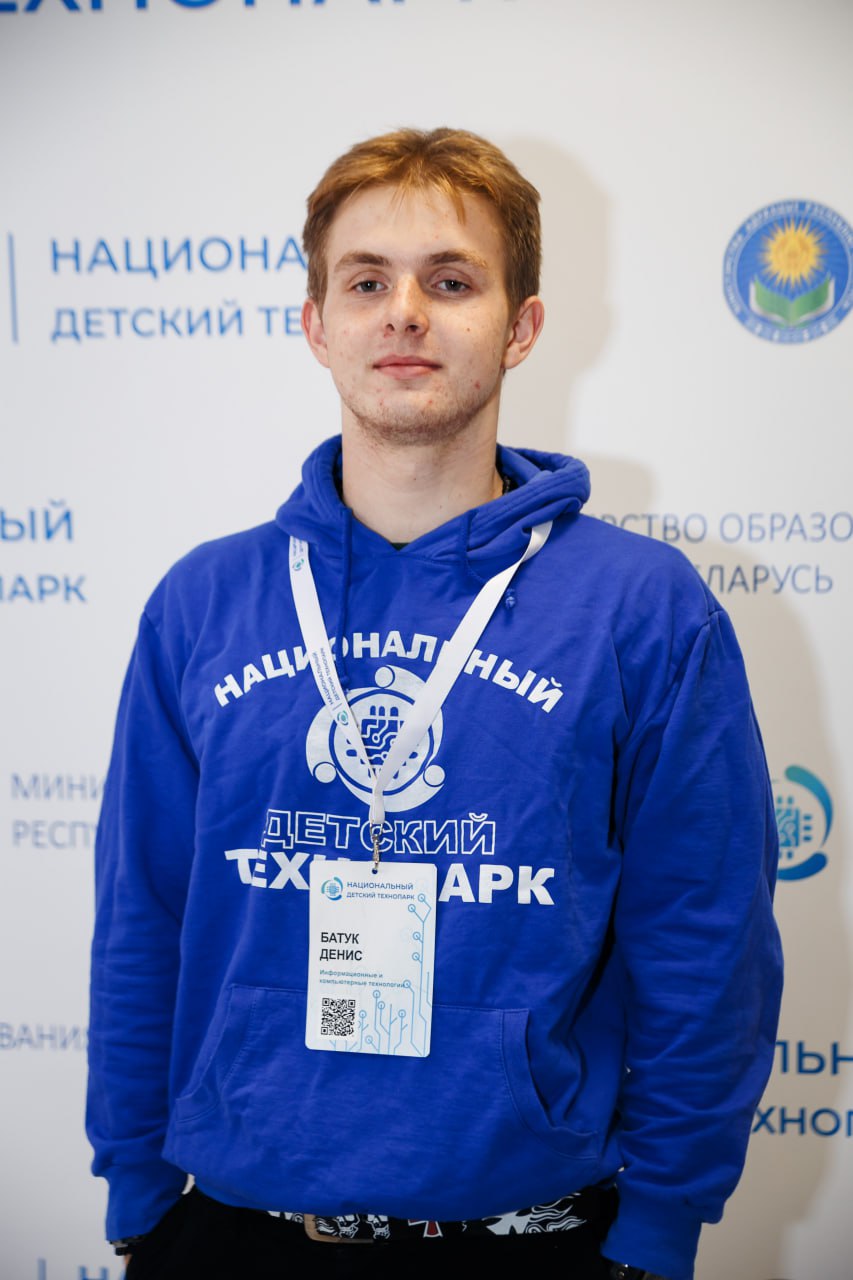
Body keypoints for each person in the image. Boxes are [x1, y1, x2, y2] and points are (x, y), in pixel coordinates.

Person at [87, 127, 783, 1280]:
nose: (404, 313)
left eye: (450, 281)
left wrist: (664, 1217)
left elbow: (704, 933)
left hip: (538, 1237)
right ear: (318, 323)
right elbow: (142, 914)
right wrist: (137, 1185)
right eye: (366, 282)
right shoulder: (204, 602)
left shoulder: (641, 607)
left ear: (520, 325)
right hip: (233, 1232)